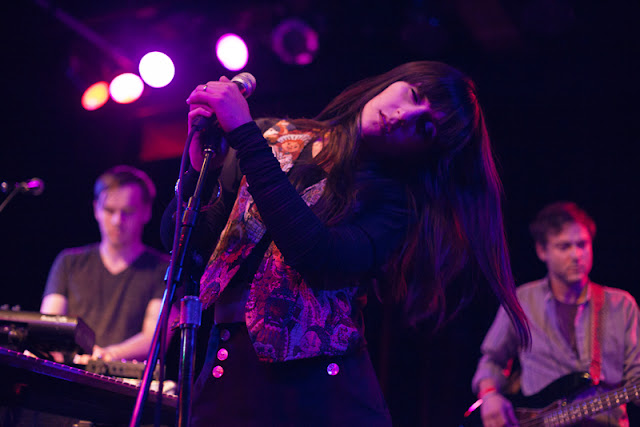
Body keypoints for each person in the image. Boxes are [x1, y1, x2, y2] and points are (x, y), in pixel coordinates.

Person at [161, 61, 530, 426]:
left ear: (424, 152)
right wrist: (199, 171)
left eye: (425, 127)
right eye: (413, 95)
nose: (403, 115)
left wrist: (244, 136)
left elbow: (318, 255)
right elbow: (187, 251)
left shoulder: (395, 205)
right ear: (392, 79)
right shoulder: (273, 136)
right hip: (226, 376)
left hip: (319, 397)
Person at [472, 201, 640, 427]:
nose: (576, 255)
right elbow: (492, 359)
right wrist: (490, 395)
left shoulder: (622, 305)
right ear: (542, 251)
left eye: (582, 244)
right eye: (564, 246)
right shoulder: (523, 301)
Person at [41, 165, 172, 362]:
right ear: (96, 209)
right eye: (109, 210)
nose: (118, 220)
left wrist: (106, 356)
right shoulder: (69, 262)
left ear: (146, 212)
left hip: (124, 380)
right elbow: (49, 324)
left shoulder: (163, 269)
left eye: (128, 211)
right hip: (69, 373)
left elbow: (154, 337)